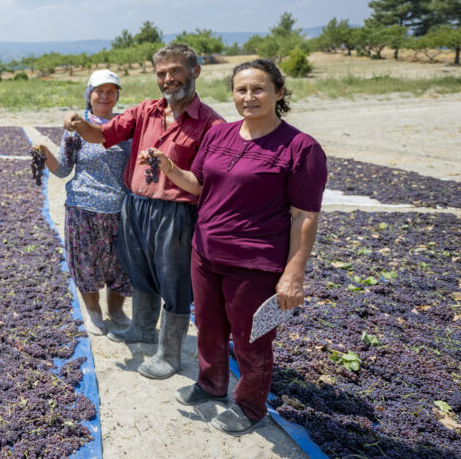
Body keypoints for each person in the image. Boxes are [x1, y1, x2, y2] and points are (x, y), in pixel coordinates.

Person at [141, 59, 327, 436]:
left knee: (251, 340)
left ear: (279, 92)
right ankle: (211, 384)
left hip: (255, 263)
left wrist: (294, 272)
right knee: (208, 328)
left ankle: (250, 406)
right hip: (206, 253)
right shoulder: (219, 134)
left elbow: (304, 215)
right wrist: (169, 167)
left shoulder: (300, 148)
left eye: (258, 89)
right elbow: (198, 184)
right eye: (241, 90)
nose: (249, 97)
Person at [64, 43, 223, 380]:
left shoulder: (211, 124)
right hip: (136, 206)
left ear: (195, 71)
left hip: (176, 213)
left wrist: (170, 170)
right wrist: (79, 124)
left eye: (176, 71)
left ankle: (169, 354)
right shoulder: (145, 111)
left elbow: (205, 183)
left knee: (175, 282)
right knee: (140, 272)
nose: (168, 79)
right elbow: (101, 134)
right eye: (162, 73)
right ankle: (142, 328)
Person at [33, 70, 133, 335]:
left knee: (120, 266)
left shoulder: (125, 127)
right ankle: (94, 312)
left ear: (117, 96)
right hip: (83, 207)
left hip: (119, 209)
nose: (105, 96)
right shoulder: (76, 129)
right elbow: (64, 169)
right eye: (99, 90)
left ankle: (116, 310)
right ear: (89, 94)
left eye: (111, 91)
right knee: (87, 263)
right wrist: (44, 152)